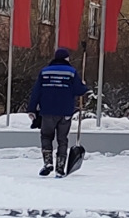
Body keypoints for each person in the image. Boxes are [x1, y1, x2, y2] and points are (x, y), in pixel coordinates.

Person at [25, 48, 91, 177]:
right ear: (66, 59)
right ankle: (60, 168)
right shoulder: (71, 72)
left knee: (46, 136)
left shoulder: (44, 72)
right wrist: (83, 86)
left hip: (47, 111)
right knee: (62, 139)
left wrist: (32, 109)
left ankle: (48, 162)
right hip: (65, 112)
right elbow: (79, 90)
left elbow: (36, 92)